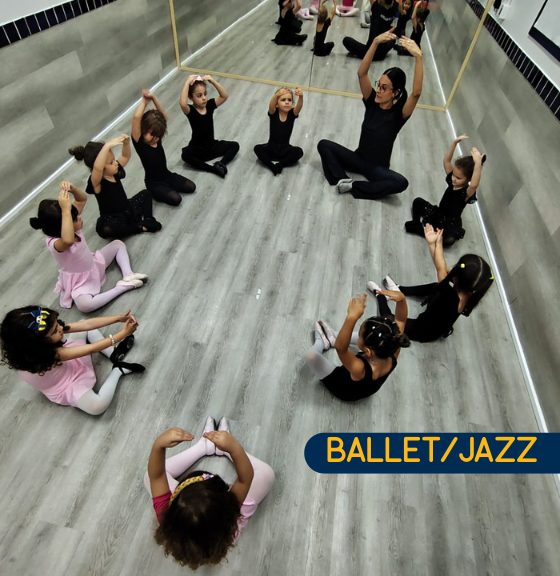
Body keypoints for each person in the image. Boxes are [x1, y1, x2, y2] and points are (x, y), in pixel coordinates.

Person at [146, 419, 275, 569]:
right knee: (267, 473)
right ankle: (217, 450)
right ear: (227, 499)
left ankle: (202, 447)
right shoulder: (230, 512)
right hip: (224, 519)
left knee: (148, 475)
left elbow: (156, 476)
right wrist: (234, 448)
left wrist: (158, 445)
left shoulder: (166, 518)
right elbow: (246, 478)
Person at [317, 31, 423, 199]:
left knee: (401, 183)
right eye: (378, 85)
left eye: (384, 88)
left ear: (395, 93)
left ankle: (354, 186)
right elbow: (362, 73)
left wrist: (418, 57)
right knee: (323, 145)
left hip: (377, 169)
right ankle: (342, 179)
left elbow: (416, 93)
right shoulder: (372, 101)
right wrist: (375, 42)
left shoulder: (399, 114)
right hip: (358, 159)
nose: (378, 90)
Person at [0, 306, 145, 415]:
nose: (60, 328)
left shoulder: (35, 344)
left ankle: (114, 354)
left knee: (83, 325)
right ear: (38, 344)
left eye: (57, 324)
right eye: (55, 330)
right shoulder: (51, 354)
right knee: (97, 406)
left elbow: (86, 325)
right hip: (66, 384)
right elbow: (91, 348)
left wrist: (118, 318)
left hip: (65, 363)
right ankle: (118, 370)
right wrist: (122, 334)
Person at [30, 183, 147, 312]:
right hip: (80, 281)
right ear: (63, 226)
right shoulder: (54, 243)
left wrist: (73, 189)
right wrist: (66, 211)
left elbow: (82, 199)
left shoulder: (71, 223)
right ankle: (122, 288)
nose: (79, 218)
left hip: (94, 264)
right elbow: (68, 240)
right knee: (85, 306)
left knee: (118, 244)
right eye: (75, 219)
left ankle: (128, 275)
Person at [379, 224, 494, 342]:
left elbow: (440, 267)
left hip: (422, 330)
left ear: (456, 277)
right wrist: (434, 243)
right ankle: (400, 289)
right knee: (436, 287)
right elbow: (443, 267)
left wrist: (436, 243)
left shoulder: (449, 295)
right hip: (439, 325)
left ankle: (380, 295)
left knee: (389, 320)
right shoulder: (474, 293)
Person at [306, 292, 409, 401]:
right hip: (365, 386)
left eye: (360, 336)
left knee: (310, 356)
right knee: (368, 338)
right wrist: (402, 300)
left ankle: (322, 342)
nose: (358, 336)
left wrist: (351, 317)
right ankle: (334, 335)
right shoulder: (394, 347)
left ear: (368, 351)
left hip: (342, 388)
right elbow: (401, 320)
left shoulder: (360, 368)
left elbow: (341, 348)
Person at [69, 135, 162, 239]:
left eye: (114, 159)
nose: (115, 163)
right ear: (101, 167)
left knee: (146, 193)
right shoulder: (97, 183)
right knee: (106, 229)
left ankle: (148, 219)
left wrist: (126, 144)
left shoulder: (114, 171)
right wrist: (107, 146)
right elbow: (97, 168)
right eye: (111, 162)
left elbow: (125, 156)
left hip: (127, 208)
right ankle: (139, 227)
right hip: (113, 218)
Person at [405, 135, 486, 246]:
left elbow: (474, 185)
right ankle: (416, 223)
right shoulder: (452, 181)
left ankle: (422, 230)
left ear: (468, 179)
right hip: (438, 213)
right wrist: (454, 143)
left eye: (458, 178)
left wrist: (478, 163)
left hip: (449, 223)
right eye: (453, 175)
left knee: (448, 240)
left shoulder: (466, 193)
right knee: (417, 201)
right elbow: (447, 161)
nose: (453, 178)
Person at [131, 89, 196, 207]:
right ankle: (156, 192)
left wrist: (154, 98)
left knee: (191, 187)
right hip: (154, 183)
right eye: (152, 134)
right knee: (176, 199)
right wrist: (145, 101)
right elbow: (136, 118)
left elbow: (163, 117)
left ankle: (168, 189)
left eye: (158, 135)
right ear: (143, 129)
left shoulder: (157, 138)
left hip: (167, 176)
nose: (155, 138)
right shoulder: (139, 142)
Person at [179, 75, 239, 178]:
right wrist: (187, 82)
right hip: (198, 149)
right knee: (185, 155)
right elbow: (183, 104)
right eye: (199, 96)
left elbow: (224, 96)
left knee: (235, 145)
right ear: (191, 97)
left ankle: (221, 164)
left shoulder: (209, 105)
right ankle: (212, 169)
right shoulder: (191, 111)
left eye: (205, 94)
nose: (204, 98)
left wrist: (212, 81)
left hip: (212, 146)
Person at [254, 87, 304, 175]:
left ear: (292, 103)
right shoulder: (273, 113)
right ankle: (271, 166)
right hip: (271, 149)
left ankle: (280, 164)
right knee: (257, 148)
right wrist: (277, 95)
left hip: (285, 150)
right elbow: (271, 105)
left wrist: (301, 97)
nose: (287, 102)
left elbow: (299, 107)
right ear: (277, 104)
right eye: (283, 100)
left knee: (299, 152)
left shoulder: (292, 114)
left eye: (289, 100)